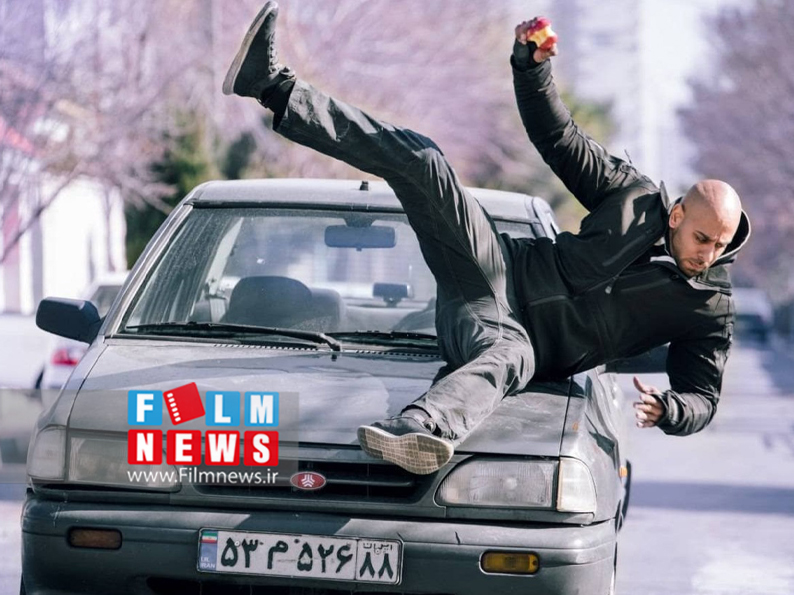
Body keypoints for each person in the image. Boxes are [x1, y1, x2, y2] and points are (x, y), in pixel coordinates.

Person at [223, 3, 750, 475]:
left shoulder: (709, 307)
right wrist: (532, 67)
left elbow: (702, 397)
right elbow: (558, 138)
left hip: (521, 341)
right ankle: (273, 86)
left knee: (506, 359)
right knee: (425, 162)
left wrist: (672, 409)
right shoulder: (632, 196)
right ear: (676, 215)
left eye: (720, 246)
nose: (708, 255)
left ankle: (417, 429)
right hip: (494, 270)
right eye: (702, 238)